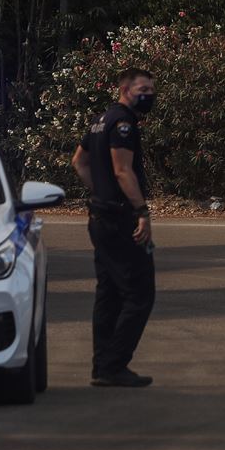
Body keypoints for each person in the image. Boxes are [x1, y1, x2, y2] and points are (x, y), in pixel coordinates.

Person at [73, 68, 158, 388]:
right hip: (119, 220)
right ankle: (114, 363)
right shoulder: (123, 124)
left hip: (100, 217)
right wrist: (141, 211)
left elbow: (78, 162)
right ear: (125, 89)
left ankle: (102, 367)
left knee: (108, 294)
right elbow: (123, 171)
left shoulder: (100, 120)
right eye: (143, 88)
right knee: (140, 294)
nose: (149, 94)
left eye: (151, 88)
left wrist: (99, 193)